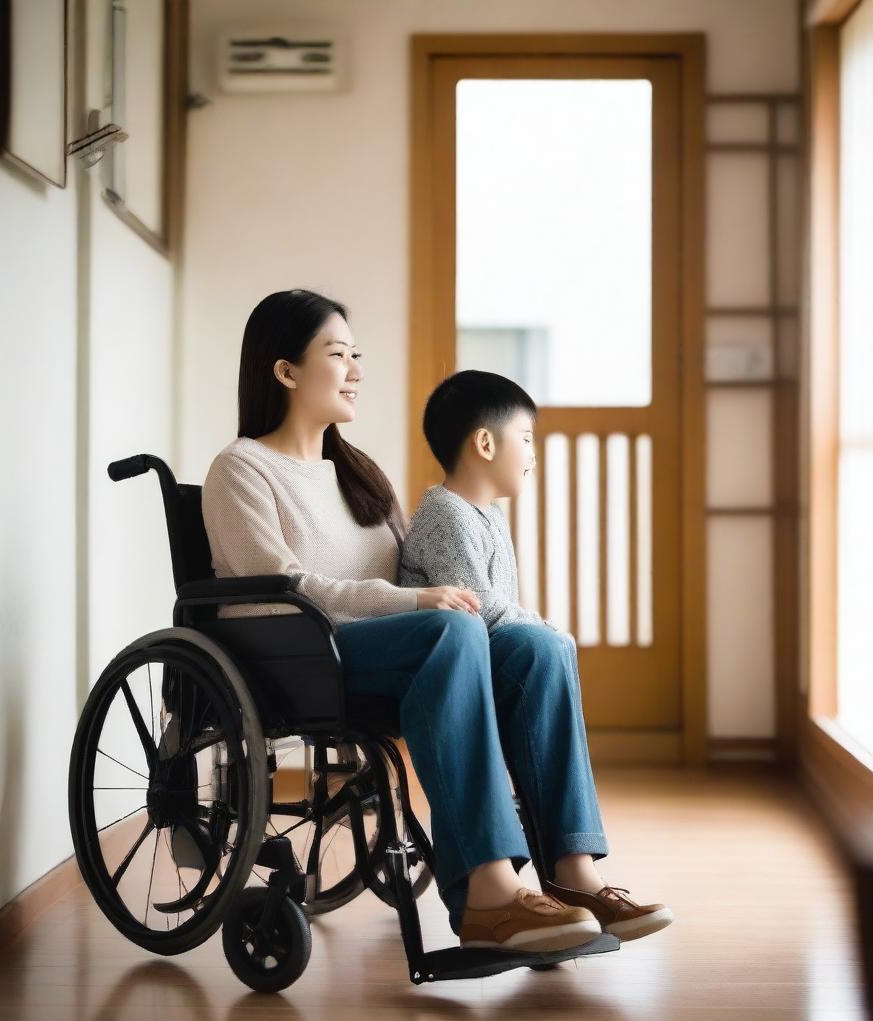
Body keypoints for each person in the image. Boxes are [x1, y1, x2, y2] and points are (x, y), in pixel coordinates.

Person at [199, 288, 670, 952]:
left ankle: (573, 875)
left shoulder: (358, 476)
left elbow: (411, 585)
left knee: (537, 648)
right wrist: (415, 604)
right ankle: (488, 893)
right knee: (448, 631)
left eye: (356, 354)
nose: (357, 369)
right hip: (298, 657)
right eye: (339, 355)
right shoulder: (241, 469)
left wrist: (444, 605)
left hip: (388, 655)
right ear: (285, 371)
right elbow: (282, 589)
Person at [400, 369, 674, 944]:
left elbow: (504, 615)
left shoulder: (489, 517)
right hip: (449, 663)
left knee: (542, 644)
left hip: (485, 656)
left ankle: (574, 872)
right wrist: (548, 631)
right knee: (543, 642)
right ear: (484, 443)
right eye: (526, 438)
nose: (532, 453)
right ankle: (552, 877)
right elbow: (474, 613)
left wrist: (543, 633)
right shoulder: (445, 514)